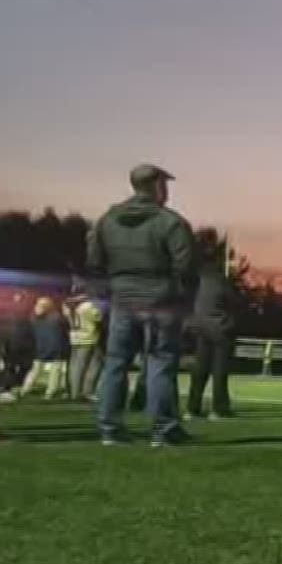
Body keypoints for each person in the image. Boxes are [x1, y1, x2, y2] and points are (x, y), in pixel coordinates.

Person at [89, 164, 196, 446]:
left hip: (122, 297)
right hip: (161, 298)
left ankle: (110, 429)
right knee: (160, 361)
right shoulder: (170, 221)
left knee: (115, 362)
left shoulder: (107, 220)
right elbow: (185, 265)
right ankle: (163, 429)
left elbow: (95, 260)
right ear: (157, 186)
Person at [185, 230, 236, 420]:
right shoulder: (217, 279)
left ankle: (192, 408)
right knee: (219, 370)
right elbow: (231, 302)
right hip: (220, 328)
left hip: (201, 326)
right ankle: (218, 408)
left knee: (200, 369)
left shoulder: (195, 279)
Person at [13, 297, 70, 400]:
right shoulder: (57, 317)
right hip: (56, 346)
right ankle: (50, 392)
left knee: (35, 370)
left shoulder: (33, 318)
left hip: (41, 346)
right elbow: (65, 329)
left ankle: (25, 389)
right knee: (55, 370)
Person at [66, 281, 105, 401]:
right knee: (91, 364)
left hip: (74, 336)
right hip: (88, 337)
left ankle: (73, 391)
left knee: (74, 365)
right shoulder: (88, 305)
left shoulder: (67, 304)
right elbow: (98, 318)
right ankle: (85, 392)